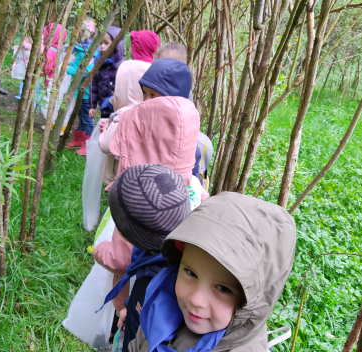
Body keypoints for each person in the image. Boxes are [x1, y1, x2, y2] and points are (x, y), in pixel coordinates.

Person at [127, 192, 296, 352]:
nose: (196, 300)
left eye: (223, 289)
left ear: (252, 303)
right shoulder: (161, 303)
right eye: (191, 273)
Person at [93, 94, 202, 315]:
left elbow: (118, 258)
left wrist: (99, 250)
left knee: (128, 333)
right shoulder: (196, 189)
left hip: (135, 297)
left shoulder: (139, 202)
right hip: (172, 303)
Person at [99, 164, 192, 352]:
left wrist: (134, 316)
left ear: (131, 235)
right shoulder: (162, 254)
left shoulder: (160, 284)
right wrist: (130, 308)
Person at [139, 58, 214, 189]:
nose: (145, 101)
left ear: (175, 102)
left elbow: (189, 186)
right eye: (144, 93)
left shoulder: (186, 143)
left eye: (153, 96)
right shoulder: (140, 127)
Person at [97, 60, 151, 185]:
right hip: (144, 176)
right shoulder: (150, 112)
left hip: (122, 178)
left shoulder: (123, 115)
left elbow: (106, 145)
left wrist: (106, 129)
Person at [64, 17, 97, 155]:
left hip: (86, 91)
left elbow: (87, 71)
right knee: (79, 116)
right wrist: (70, 64)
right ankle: (78, 140)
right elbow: (77, 63)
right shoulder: (81, 47)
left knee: (87, 119)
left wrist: (69, 69)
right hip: (78, 91)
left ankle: (87, 144)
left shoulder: (90, 51)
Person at [88, 26, 126, 124]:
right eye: (100, 43)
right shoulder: (99, 63)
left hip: (118, 110)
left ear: (117, 45)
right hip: (103, 109)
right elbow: (94, 85)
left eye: (106, 43)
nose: (102, 46)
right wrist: (92, 106)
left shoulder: (122, 66)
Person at [42, 23, 68, 88]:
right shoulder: (60, 50)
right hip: (55, 80)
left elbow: (46, 67)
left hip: (47, 82)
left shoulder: (49, 52)